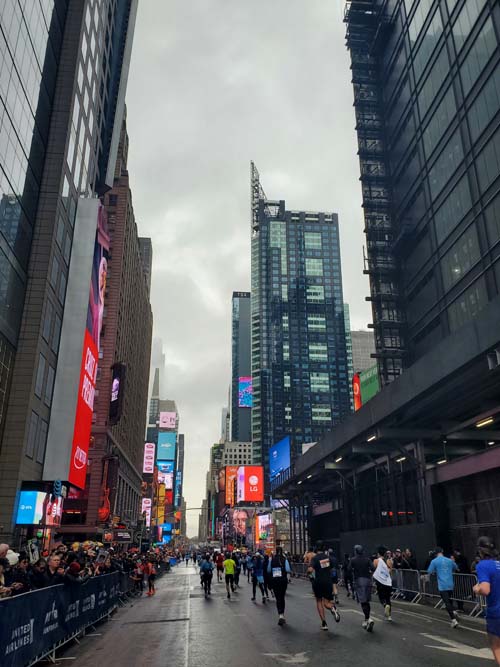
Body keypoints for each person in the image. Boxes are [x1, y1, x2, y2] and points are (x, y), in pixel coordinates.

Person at [473, 536, 500, 665]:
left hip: (496, 612)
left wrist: (476, 588)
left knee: (496, 646)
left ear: (480, 551)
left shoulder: (482, 565)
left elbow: (485, 589)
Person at [307, 542, 341, 632]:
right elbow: (332, 569)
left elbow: (310, 570)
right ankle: (332, 608)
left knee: (319, 601)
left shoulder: (315, 558)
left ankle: (324, 623)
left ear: (316, 548)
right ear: (324, 548)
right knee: (326, 603)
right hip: (328, 582)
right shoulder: (328, 558)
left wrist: (309, 572)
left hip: (318, 582)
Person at [427, 547, 459, 628]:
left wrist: (435, 571)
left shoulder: (434, 561)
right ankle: (454, 611)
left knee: (446, 602)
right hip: (450, 583)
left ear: (435, 553)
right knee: (450, 599)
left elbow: (429, 571)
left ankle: (453, 620)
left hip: (442, 584)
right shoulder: (449, 560)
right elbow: (456, 567)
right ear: (442, 552)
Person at [350, 544, 375, 632]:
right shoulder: (367, 559)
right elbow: (373, 568)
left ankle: (368, 619)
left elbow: (349, 569)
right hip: (368, 581)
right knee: (367, 601)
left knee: (363, 601)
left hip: (359, 581)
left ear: (356, 551)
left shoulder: (353, 560)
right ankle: (367, 619)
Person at [268, 546, 292, 625]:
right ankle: (282, 615)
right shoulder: (284, 559)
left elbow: (268, 570)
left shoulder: (271, 559)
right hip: (283, 580)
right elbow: (288, 570)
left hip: (275, 580)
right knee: (282, 597)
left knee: (278, 598)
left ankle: (280, 614)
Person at [373, 545, 393, 621]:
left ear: (378, 553)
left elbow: (373, 568)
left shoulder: (376, 560)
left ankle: (385, 605)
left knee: (381, 597)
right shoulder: (389, 561)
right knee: (388, 599)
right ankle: (389, 616)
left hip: (380, 582)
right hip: (388, 583)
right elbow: (390, 571)